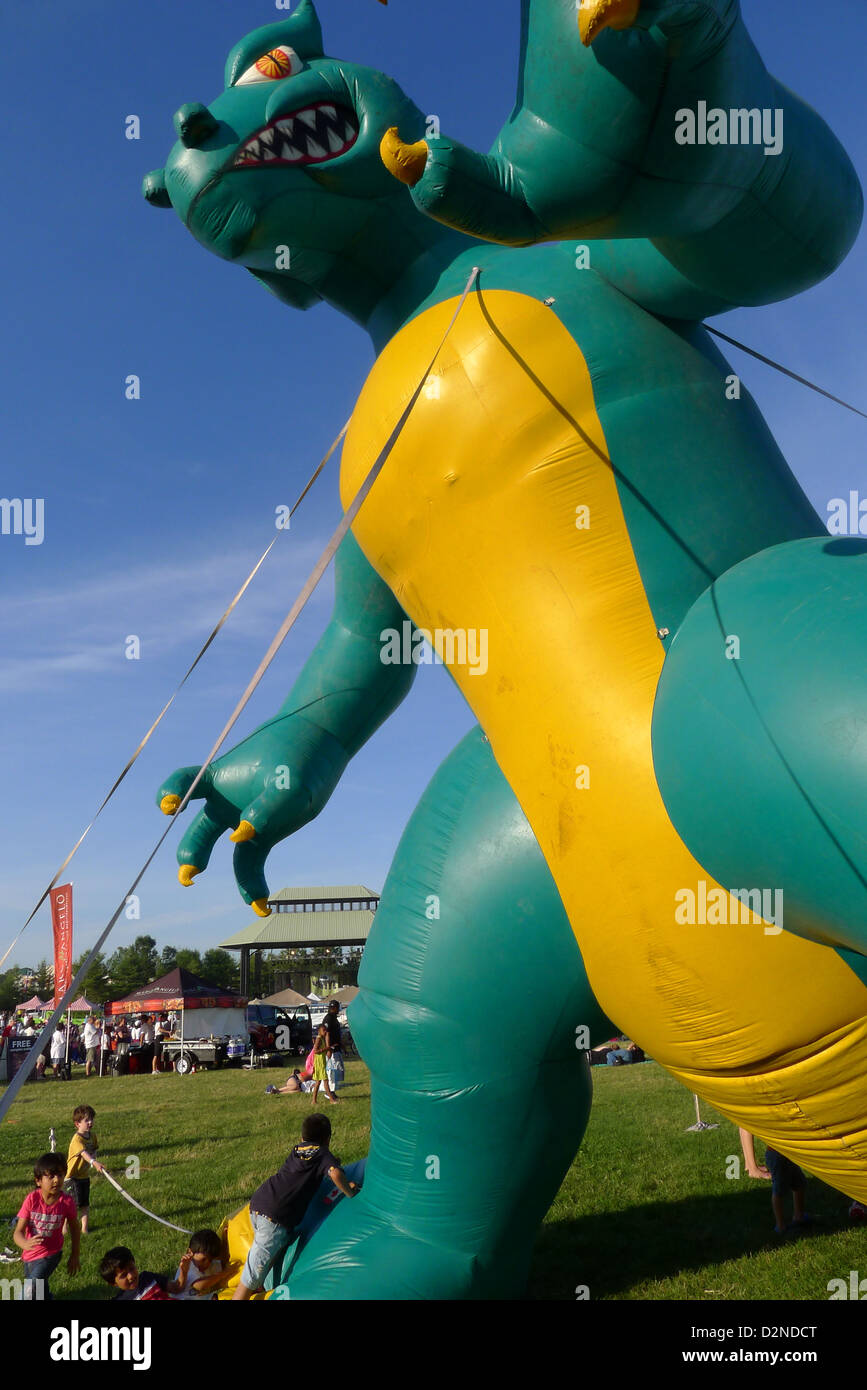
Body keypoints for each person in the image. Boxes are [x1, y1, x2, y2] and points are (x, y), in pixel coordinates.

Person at [232, 1113, 359, 1300]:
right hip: (275, 1215)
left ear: (302, 1138)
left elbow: (304, 1171)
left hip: (260, 1201)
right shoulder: (323, 1153)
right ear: (328, 1138)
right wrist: (349, 1191)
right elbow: (334, 1174)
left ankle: (259, 1286)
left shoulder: (297, 1149)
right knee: (252, 1272)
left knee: (274, 1247)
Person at [14, 1152, 80, 1300]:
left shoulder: (67, 1202)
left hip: (51, 1254)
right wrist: (25, 1243)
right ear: (38, 1181)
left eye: (61, 1175)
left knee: (28, 1292)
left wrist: (75, 1255)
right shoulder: (32, 1199)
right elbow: (17, 1232)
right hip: (30, 1254)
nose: (57, 1180)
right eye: (51, 1176)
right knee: (39, 1288)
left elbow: (75, 1229)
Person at [65, 1104, 105, 1233]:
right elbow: (84, 1153)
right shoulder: (77, 1139)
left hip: (84, 1176)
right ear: (77, 1124)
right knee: (70, 1206)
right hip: (71, 1177)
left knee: (85, 1204)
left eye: (91, 1119)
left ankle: (84, 1229)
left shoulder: (92, 1137)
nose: (90, 1122)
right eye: (86, 1120)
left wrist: (94, 1158)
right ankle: (64, 1229)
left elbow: (93, 1150)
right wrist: (94, 1162)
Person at [764, 1146, 812, 1235]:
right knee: (779, 1190)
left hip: (789, 1154)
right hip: (777, 1155)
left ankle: (799, 1216)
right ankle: (780, 1226)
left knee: (799, 1183)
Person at [170, 1229, 228, 1299]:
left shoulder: (210, 1265)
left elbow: (224, 1263)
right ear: (190, 1253)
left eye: (210, 1260)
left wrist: (225, 1241)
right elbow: (198, 1285)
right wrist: (224, 1273)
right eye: (203, 1259)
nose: (207, 1264)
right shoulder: (188, 1265)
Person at [99, 1246, 171, 1301]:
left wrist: (182, 1271)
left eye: (132, 1268)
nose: (131, 1276)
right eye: (123, 1275)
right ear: (113, 1283)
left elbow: (176, 1287)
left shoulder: (148, 1278)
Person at [311, 1024, 338, 1105]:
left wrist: (330, 1047)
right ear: (319, 1031)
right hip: (319, 1063)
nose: (325, 1031)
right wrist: (327, 1048)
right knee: (325, 1081)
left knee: (318, 1082)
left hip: (321, 1062)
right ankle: (331, 1099)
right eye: (323, 1030)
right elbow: (315, 1051)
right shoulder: (318, 1039)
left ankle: (314, 1101)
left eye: (326, 1030)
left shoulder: (322, 1038)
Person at [323, 999, 345, 1095]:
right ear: (334, 1008)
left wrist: (342, 1046)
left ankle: (333, 1091)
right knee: (333, 1071)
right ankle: (330, 1093)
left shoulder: (334, 1018)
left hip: (337, 1048)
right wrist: (328, 1048)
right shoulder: (328, 1018)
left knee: (339, 1070)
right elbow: (326, 1033)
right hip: (331, 1049)